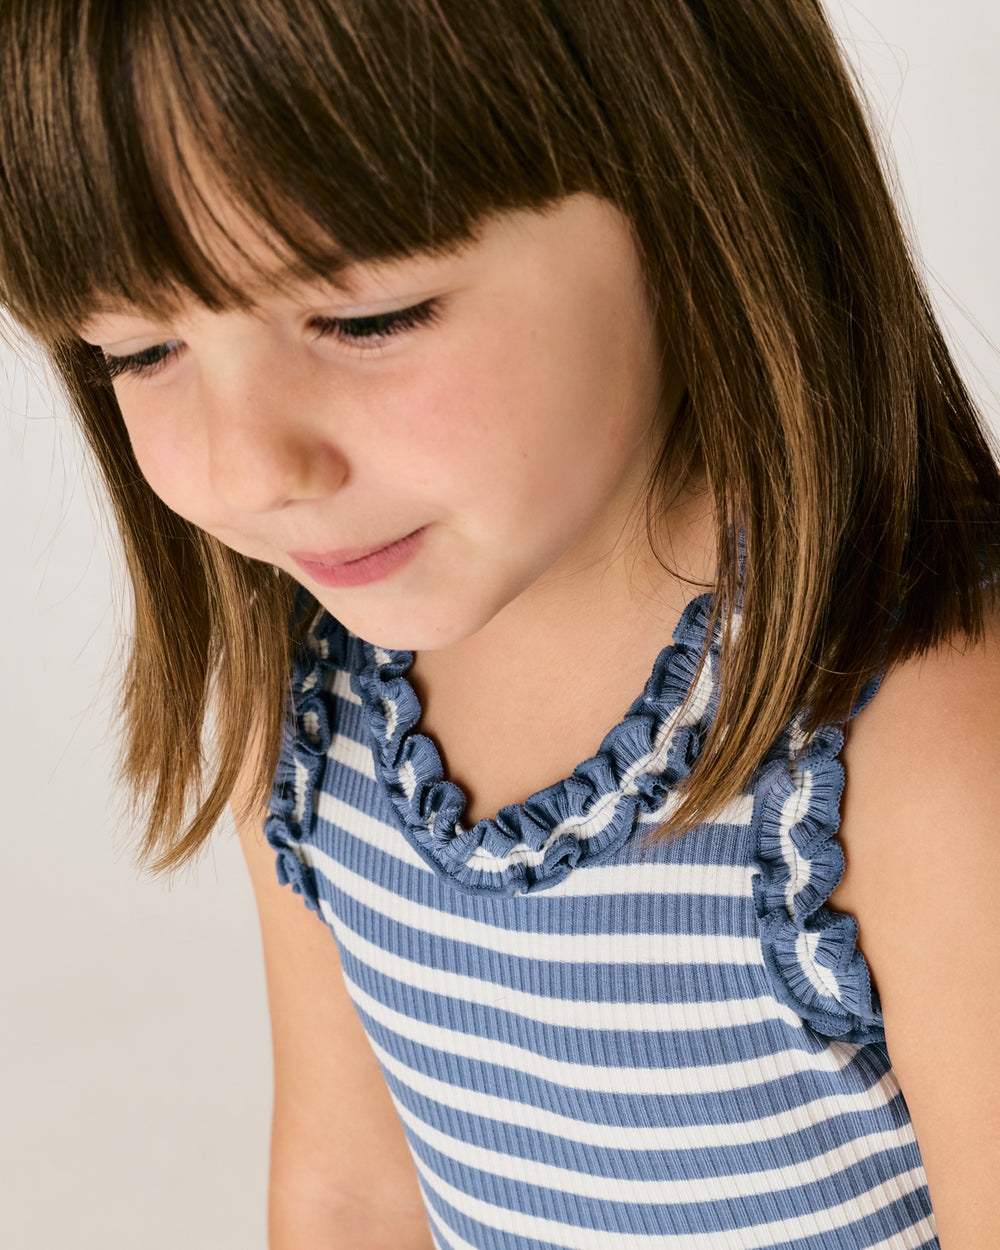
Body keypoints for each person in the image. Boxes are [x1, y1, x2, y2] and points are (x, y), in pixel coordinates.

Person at [1, 0, 998, 1246]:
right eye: (138, 349)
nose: (250, 465)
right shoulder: (315, 710)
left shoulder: (917, 744)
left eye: (364, 318)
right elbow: (349, 1193)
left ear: (698, 176)